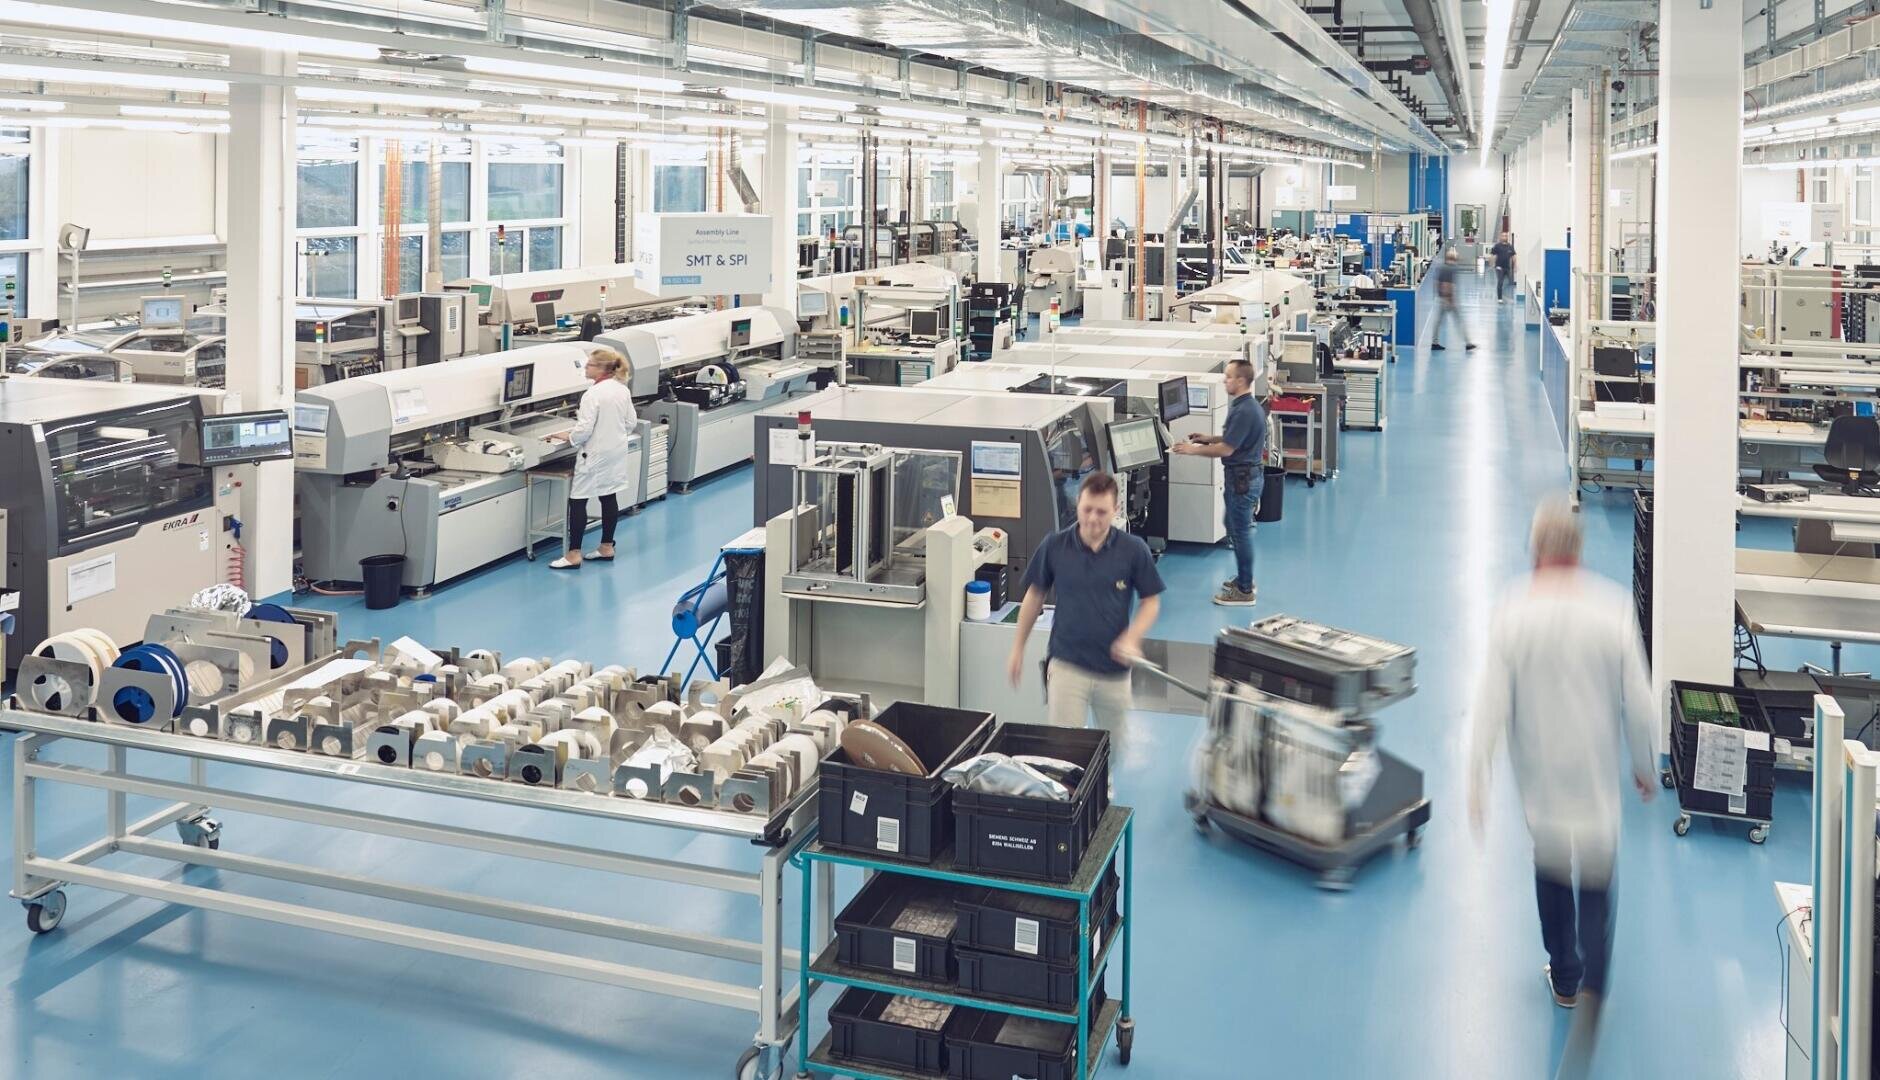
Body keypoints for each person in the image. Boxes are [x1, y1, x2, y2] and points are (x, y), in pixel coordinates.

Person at [1467, 497, 1656, 1080]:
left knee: (1551, 865)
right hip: (1594, 773)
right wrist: (1645, 764)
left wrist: (1477, 775)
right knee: (1597, 871)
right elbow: (1640, 702)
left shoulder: (1513, 610)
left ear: (1535, 552)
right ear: (1577, 550)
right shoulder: (1610, 607)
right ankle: (1596, 981)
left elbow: (1489, 704)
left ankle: (1567, 979)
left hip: (1542, 776)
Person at [1006, 472, 1165, 729]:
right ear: (1078, 502)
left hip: (1114, 670)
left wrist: (1132, 637)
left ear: (1116, 510)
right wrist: (1017, 648)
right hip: (1067, 665)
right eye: (1087, 509)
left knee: (1112, 747)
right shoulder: (1054, 546)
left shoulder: (1134, 550)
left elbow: (1151, 601)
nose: (1092, 519)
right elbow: (1034, 596)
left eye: (1101, 512)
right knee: (1065, 746)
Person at [1171, 358, 1266, 605]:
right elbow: (1232, 439)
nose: (1225, 381)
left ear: (1241, 380)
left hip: (1242, 479)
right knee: (1233, 526)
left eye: (1229, 377)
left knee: (1240, 533)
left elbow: (1226, 449)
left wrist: (1192, 450)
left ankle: (1244, 590)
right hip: (1244, 477)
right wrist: (1208, 438)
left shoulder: (1244, 411)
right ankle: (1244, 578)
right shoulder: (1246, 406)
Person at [544, 347, 637, 570]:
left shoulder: (592, 394)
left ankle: (573, 554)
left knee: (578, 499)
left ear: (602, 368)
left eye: (590, 365)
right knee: (608, 495)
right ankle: (606, 547)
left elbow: (584, 430)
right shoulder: (621, 389)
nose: (585, 367)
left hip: (595, 454)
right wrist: (610, 433)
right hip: (615, 451)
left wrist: (569, 436)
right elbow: (630, 422)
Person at [1431, 247, 1476, 352]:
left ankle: (1434, 342)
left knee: (1438, 322)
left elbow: (1437, 283)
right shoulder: (1451, 269)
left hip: (1442, 298)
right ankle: (1468, 343)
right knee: (1459, 321)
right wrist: (1450, 299)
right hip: (1449, 299)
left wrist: (1440, 295)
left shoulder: (1442, 267)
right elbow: (1447, 285)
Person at [1491, 231, 1518, 303]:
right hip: (1499, 267)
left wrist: (1515, 266)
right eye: (1503, 236)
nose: (1504, 237)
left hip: (1507, 268)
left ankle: (1505, 296)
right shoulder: (1497, 246)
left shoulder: (1510, 246)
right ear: (1501, 237)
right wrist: (1492, 263)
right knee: (1500, 282)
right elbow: (1493, 255)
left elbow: (1513, 256)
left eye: (1505, 236)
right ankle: (1500, 298)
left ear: (1507, 237)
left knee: (1510, 283)